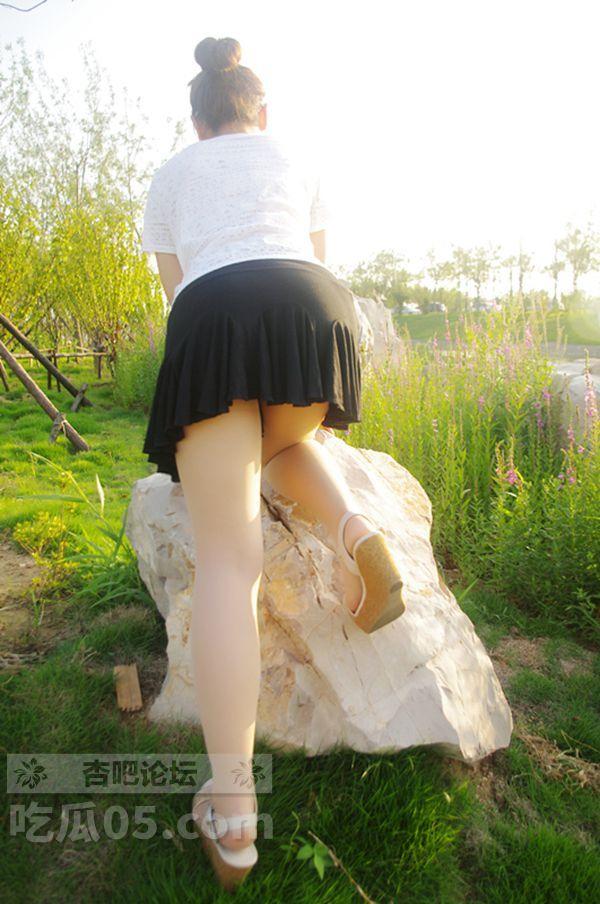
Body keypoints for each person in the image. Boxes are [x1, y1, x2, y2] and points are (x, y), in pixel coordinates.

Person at [140, 35, 407, 891]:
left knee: (230, 561)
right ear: (262, 111)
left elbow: (181, 296)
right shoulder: (294, 155)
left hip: (216, 310)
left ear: (198, 120)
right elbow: (311, 255)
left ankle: (234, 815)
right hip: (314, 306)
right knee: (287, 442)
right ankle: (355, 532)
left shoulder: (171, 176)